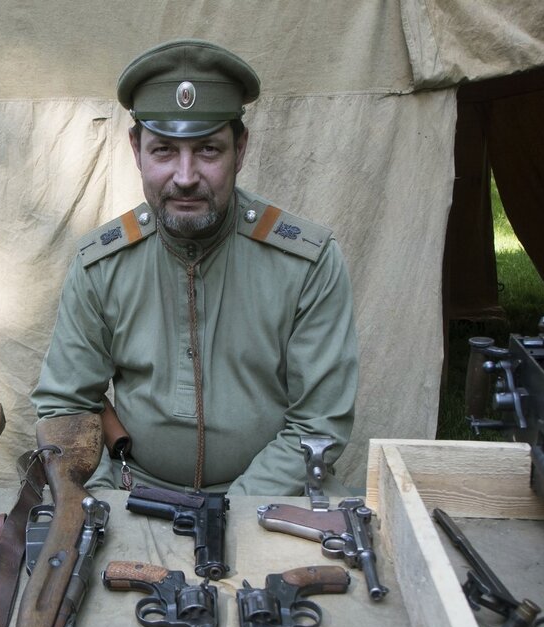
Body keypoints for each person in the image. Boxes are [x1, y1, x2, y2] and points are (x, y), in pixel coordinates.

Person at [31, 39, 359, 497]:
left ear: (240, 149)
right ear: (136, 149)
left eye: (207, 150)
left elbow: (319, 422)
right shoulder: (100, 265)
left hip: (270, 496)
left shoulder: (307, 261)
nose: (185, 176)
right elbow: (65, 404)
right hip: (133, 492)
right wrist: (104, 500)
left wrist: (233, 513)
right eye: (164, 150)